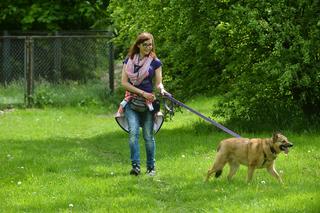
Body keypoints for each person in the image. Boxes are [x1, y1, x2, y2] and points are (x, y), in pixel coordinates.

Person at [119, 32, 167, 176]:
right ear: (138, 45)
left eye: (150, 44)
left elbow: (158, 83)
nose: (148, 47)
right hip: (131, 102)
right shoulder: (129, 60)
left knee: (148, 136)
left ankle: (151, 168)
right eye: (145, 44)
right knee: (133, 133)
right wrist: (141, 93)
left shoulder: (155, 62)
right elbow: (124, 83)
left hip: (148, 105)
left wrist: (162, 89)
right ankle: (136, 167)